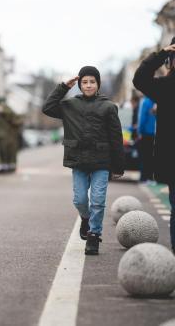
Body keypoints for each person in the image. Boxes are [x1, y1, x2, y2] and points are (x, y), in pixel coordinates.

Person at [42, 66, 124, 255]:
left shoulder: (108, 107)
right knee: (79, 200)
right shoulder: (70, 105)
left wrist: (118, 166)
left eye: (92, 82)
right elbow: (47, 108)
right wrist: (63, 87)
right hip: (78, 160)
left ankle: (94, 235)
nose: (88, 85)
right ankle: (85, 218)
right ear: (79, 84)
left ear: (98, 84)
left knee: (98, 200)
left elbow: (116, 138)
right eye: (84, 82)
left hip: (101, 162)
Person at [133, 40, 175, 252]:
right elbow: (139, 79)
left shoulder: (165, 87)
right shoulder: (167, 86)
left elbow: (140, 79)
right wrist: (161, 54)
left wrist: (161, 55)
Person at [136, 94, 156, 183]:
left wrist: (139, 131)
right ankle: (148, 177)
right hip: (151, 133)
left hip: (147, 133)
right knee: (149, 156)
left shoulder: (146, 102)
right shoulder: (152, 102)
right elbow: (143, 117)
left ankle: (144, 178)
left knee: (145, 156)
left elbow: (142, 117)